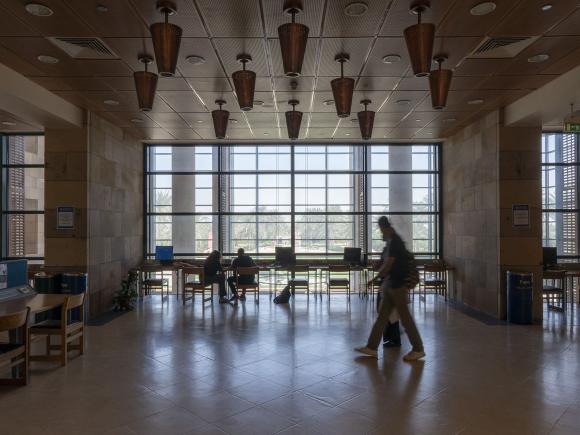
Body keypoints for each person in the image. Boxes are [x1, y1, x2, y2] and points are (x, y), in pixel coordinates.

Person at [355, 216, 425, 362]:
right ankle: (372, 347)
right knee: (382, 317)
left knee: (405, 319)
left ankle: (418, 349)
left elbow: (389, 265)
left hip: (398, 285)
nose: (380, 232)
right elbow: (385, 262)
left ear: (385, 227)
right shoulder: (389, 242)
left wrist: (374, 279)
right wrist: (378, 267)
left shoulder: (395, 242)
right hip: (391, 285)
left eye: (380, 229)